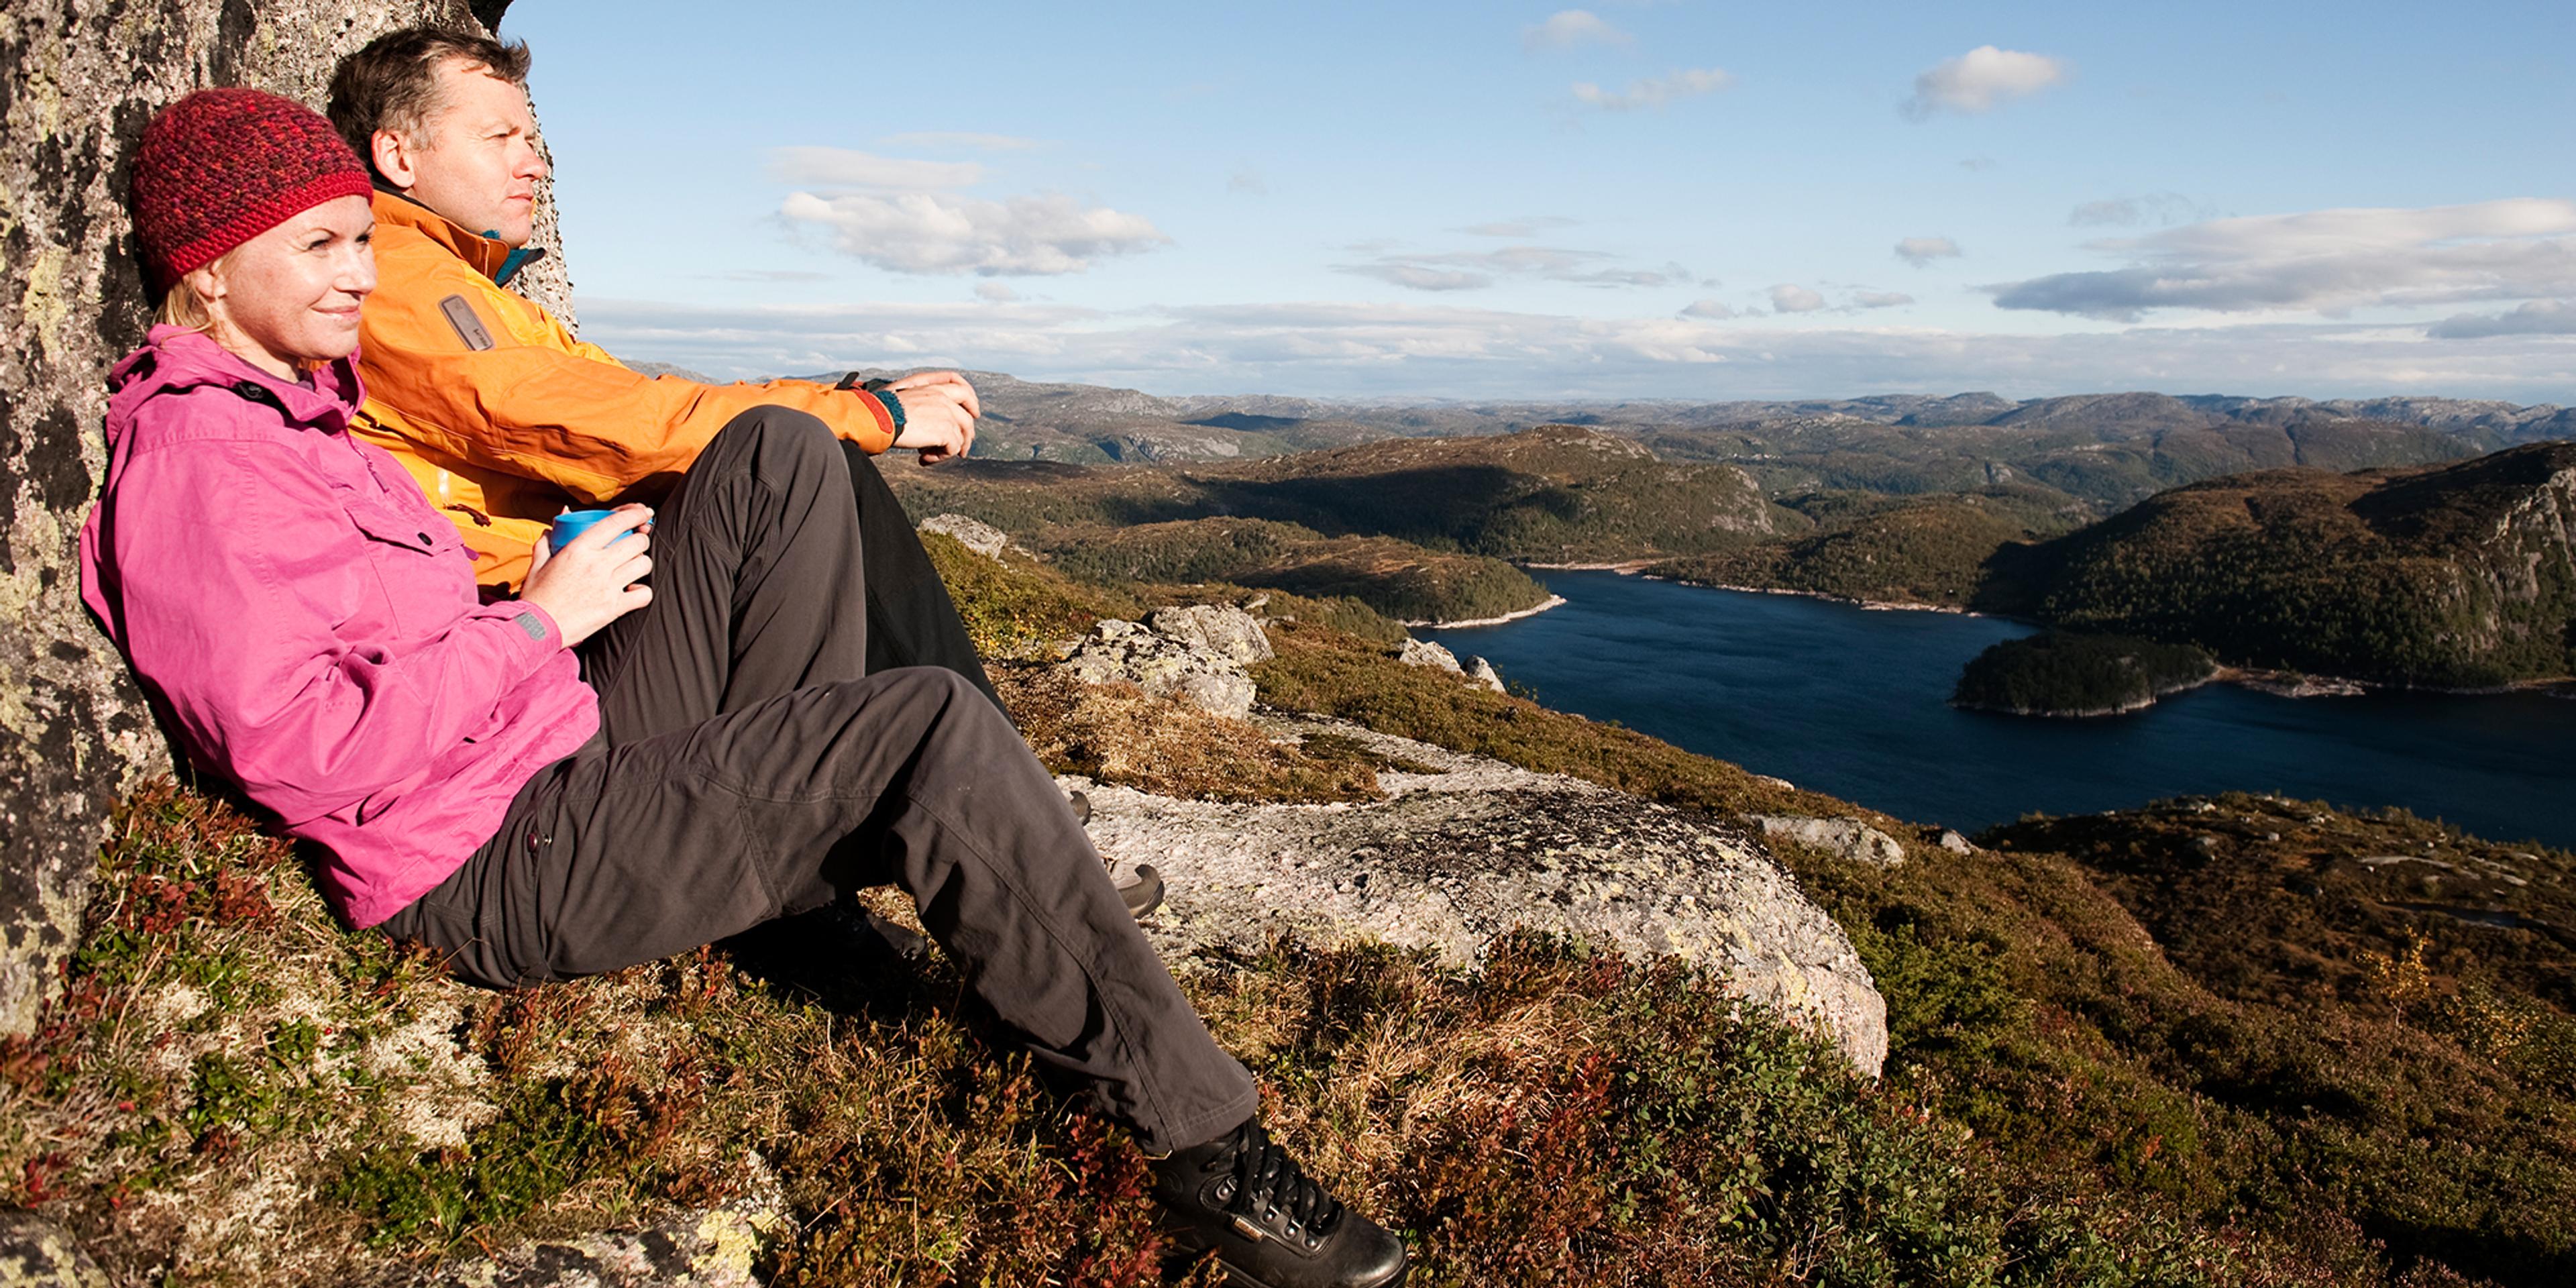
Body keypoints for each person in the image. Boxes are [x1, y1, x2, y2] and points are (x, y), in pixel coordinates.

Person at [79, 88, 1409, 1288]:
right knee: (928, 728)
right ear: (207, 268)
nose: (356, 275)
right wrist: (538, 629)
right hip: (486, 861)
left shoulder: (297, 415)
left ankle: (798, 896)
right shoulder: (202, 464)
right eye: (317, 247)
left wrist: (537, 617)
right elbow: (309, 754)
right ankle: (1208, 1151)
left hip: (550, 756)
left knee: (772, 459)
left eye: (360, 241)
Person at [320, 28, 1000, 715]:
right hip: (526, 649)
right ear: (398, 155)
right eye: (499, 139)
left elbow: (629, 400)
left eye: (529, 141)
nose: (533, 165)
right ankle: (953, 772)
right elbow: (610, 424)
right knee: (790, 462)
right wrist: (870, 416)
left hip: (571, 610)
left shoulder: (462, 288)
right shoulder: (392, 282)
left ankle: (939, 762)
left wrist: (842, 402)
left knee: (802, 458)